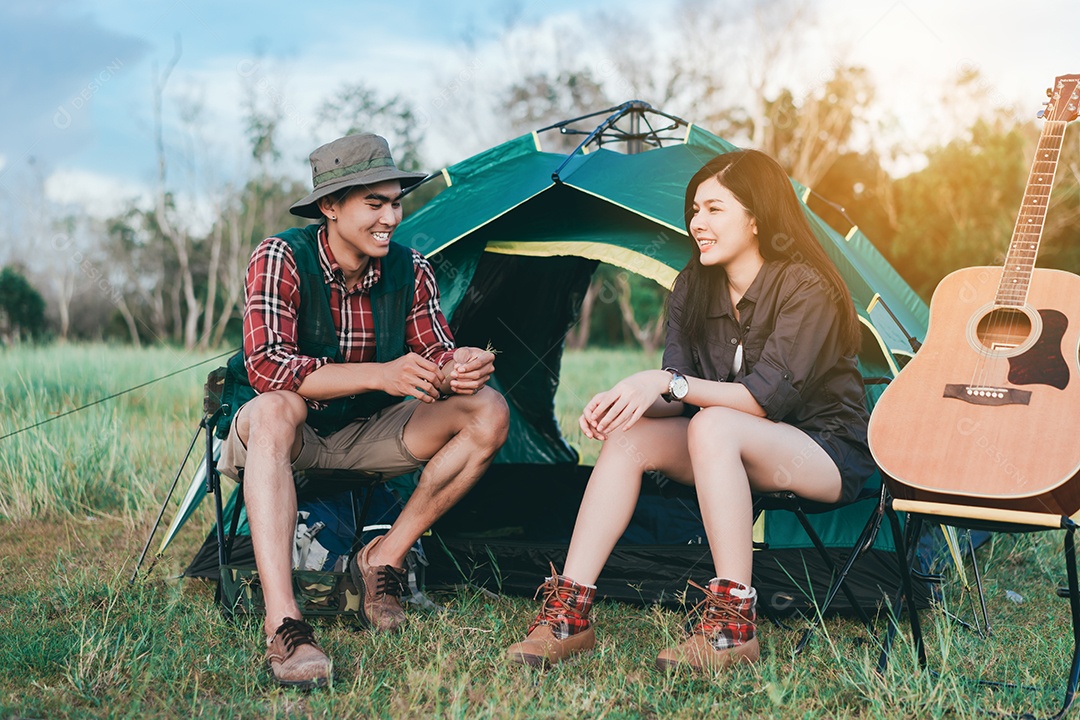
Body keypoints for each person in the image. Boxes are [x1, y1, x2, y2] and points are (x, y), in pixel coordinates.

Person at [505, 149, 875, 672]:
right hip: (722, 443)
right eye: (694, 209)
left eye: (714, 209)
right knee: (631, 437)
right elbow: (677, 394)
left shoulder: (805, 286)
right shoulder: (692, 288)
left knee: (716, 423)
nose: (697, 222)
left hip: (822, 451)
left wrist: (666, 383)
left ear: (756, 216)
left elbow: (761, 400)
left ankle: (731, 627)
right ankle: (570, 613)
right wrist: (628, 398)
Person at [216, 133, 509, 688]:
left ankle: (383, 560)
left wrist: (457, 367)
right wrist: (382, 373)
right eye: (374, 203)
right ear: (330, 207)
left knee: (487, 410)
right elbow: (269, 370)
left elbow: (434, 352)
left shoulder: (411, 268)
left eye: (395, 202)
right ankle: (284, 622)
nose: (390, 217)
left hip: (368, 433)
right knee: (277, 407)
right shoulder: (281, 256)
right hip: (287, 436)